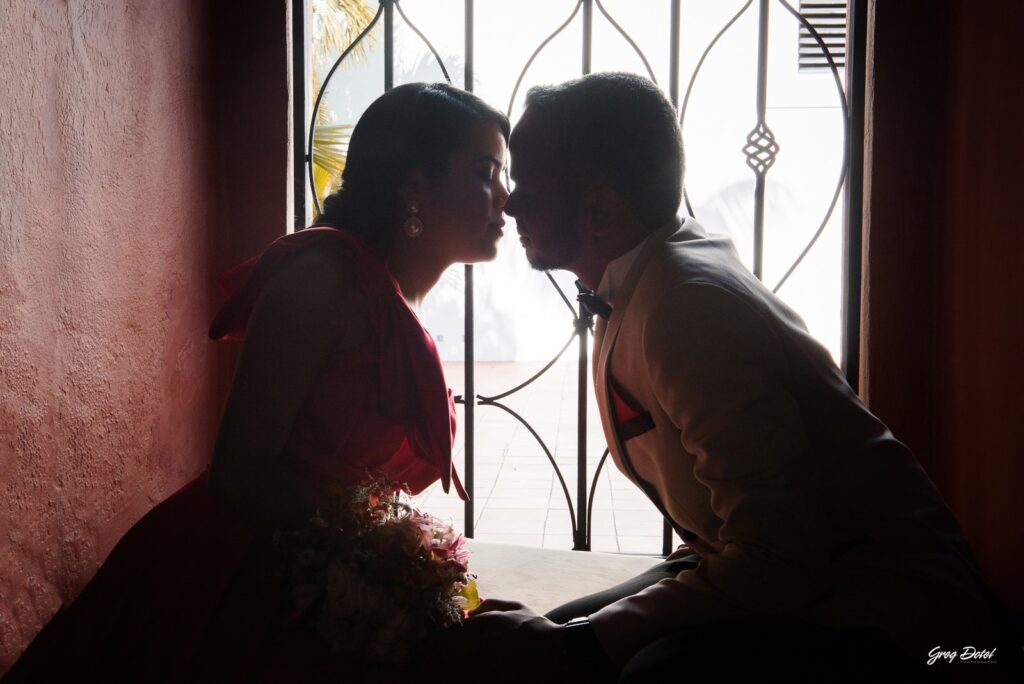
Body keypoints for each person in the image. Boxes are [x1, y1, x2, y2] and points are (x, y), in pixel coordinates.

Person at [450, 72, 1023, 683]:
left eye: (530, 182)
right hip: (790, 566)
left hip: (893, 607)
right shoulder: (650, 268)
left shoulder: (686, 307)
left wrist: (584, 643)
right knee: (552, 636)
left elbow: (780, 557)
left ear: (599, 210)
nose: (510, 202)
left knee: (637, 670)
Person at [4, 82, 510, 682]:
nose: (506, 193)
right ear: (413, 186)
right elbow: (241, 471)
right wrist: (369, 557)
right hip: (237, 575)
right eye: (487, 172)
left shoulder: (391, 294)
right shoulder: (322, 281)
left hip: (317, 576)